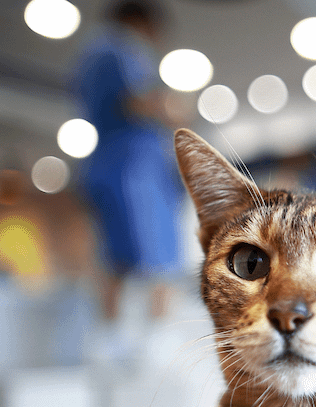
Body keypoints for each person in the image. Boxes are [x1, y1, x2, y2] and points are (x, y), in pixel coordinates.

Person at [73, 0, 183, 358]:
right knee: (160, 253)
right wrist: (174, 112)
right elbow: (136, 101)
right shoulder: (122, 49)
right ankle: (159, 337)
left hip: (105, 166)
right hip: (136, 170)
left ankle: (109, 335)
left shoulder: (89, 55)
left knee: (114, 256)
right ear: (142, 23)